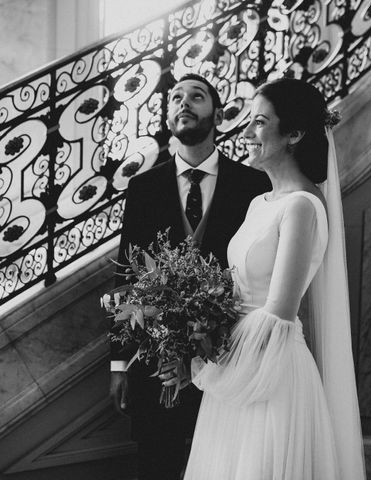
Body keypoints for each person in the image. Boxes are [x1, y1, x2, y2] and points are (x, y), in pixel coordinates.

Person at [183, 78, 366, 480]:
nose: (246, 133)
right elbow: (233, 293)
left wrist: (209, 356)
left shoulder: (301, 207)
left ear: (295, 134)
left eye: (260, 122)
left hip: (272, 374)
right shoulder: (258, 204)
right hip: (238, 368)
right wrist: (193, 329)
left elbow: (279, 313)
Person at [109, 73, 270, 480]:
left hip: (228, 359)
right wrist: (118, 363)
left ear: (217, 114)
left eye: (196, 96)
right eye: (176, 97)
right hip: (154, 364)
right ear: (168, 116)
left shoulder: (253, 184)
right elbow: (125, 279)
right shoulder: (143, 187)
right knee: (155, 465)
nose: (184, 102)